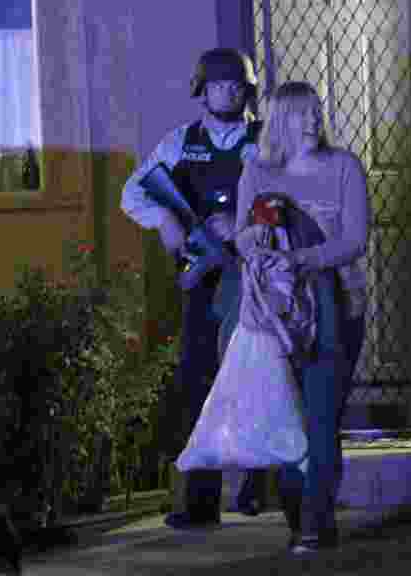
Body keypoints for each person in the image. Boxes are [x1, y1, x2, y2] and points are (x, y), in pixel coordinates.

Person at [120, 47, 267, 528]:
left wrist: (243, 219)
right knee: (196, 383)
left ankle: (257, 486)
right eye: (218, 84)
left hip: (257, 275)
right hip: (202, 276)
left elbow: (292, 199)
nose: (228, 91)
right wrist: (162, 216)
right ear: (201, 89)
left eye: (236, 84)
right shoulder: (180, 141)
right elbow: (132, 192)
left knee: (256, 376)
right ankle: (198, 501)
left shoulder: (266, 140)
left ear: (248, 89)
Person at [234, 81, 369, 554]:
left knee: (319, 419)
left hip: (338, 310)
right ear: (278, 121)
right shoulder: (255, 172)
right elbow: (242, 238)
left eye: (316, 112)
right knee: (287, 420)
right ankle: (300, 520)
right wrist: (261, 241)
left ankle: (314, 523)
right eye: (301, 114)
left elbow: (354, 242)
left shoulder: (344, 168)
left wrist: (301, 259)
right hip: (279, 318)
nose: (313, 121)